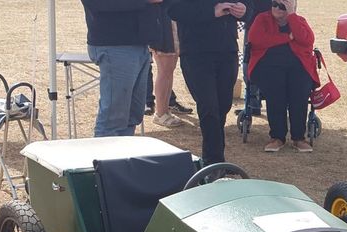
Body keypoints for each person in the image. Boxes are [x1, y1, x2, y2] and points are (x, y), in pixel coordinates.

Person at [169, 1, 248, 165]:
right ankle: (213, 162)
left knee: (223, 105)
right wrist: (211, 11)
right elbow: (173, 9)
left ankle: (216, 159)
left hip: (227, 50)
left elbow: (251, 5)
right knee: (209, 107)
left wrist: (244, 10)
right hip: (196, 52)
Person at [81, 0, 165, 137]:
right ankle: (105, 157)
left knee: (132, 116)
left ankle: (121, 156)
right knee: (113, 119)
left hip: (139, 43)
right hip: (114, 43)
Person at [248, 0, 319, 152]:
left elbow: (307, 40)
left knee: (299, 92)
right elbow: (256, 40)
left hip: (298, 67)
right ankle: (277, 137)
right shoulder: (262, 19)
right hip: (268, 67)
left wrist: (292, 16)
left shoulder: (299, 21)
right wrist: (287, 37)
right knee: (276, 90)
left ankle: (298, 137)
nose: (277, 8)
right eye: (275, 4)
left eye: (283, 6)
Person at [149, 8, 185, 127]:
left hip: (172, 19)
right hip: (163, 23)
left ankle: (165, 110)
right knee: (165, 70)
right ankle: (160, 112)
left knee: (169, 69)